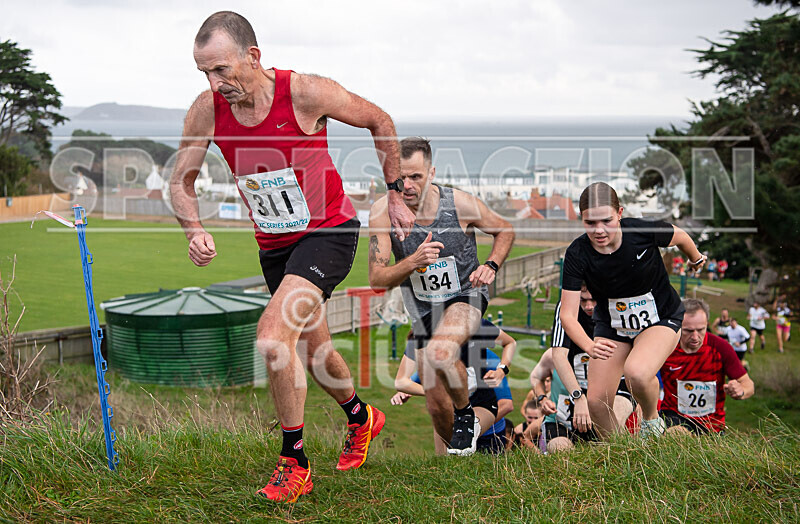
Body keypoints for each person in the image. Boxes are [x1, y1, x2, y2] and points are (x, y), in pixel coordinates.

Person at [168, 11, 416, 502]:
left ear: (253, 56)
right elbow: (181, 180)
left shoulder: (304, 93)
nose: (215, 84)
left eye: (221, 70)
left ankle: (294, 460)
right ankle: (361, 418)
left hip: (329, 232)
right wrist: (193, 228)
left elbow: (378, 120)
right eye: (204, 73)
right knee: (315, 351)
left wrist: (393, 193)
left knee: (272, 335)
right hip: (275, 245)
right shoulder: (206, 110)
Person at [368, 137, 514, 455]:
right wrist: (413, 261)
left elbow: (505, 230)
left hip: (467, 296)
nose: (407, 185)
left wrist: (491, 264)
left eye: (416, 177)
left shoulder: (459, 204)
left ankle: (467, 415)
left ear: (431, 172)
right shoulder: (382, 213)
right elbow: (377, 279)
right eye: (399, 178)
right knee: (437, 410)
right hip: (423, 313)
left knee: (440, 353)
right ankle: (458, 463)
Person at [559, 182, 706, 439]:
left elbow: (680, 236)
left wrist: (696, 259)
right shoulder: (577, 253)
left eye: (606, 220)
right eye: (590, 223)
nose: (599, 230)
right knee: (596, 403)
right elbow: (568, 315)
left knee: (637, 373)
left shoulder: (641, 230)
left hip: (660, 318)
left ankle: (651, 421)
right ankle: (620, 450)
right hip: (613, 326)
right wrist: (589, 345)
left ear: (620, 213)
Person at [390, 320, 516, 455]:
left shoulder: (476, 326)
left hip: (481, 406)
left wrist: (501, 370)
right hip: (447, 408)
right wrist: (430, 392)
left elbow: (510, 342)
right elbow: (402, 382)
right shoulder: (423, 334)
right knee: (443, 459)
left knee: (461, 444)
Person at [659, 299, 755, 435]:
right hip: (673, 418)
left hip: (711, 427)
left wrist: (741, 391)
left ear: (707, 325)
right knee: (677, 434)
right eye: (688, 331)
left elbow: (748, 384)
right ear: (678, 325)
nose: (695, 337)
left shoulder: (721, 347)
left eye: (700, 330)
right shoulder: (666, 346)